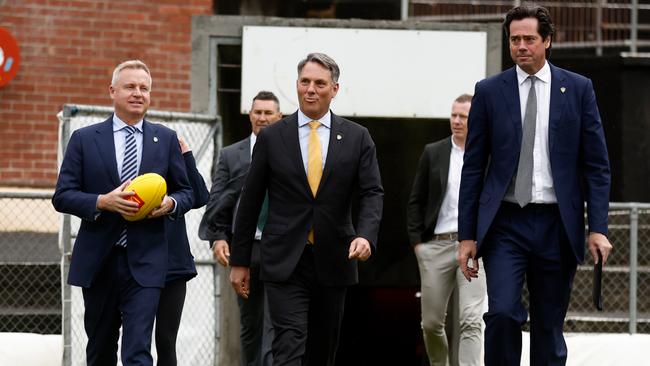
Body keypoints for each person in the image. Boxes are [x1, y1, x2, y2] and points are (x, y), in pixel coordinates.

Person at [457, 5, 612, 366]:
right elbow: (473, 167)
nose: (521, 46)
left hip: (557, 225)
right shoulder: (489, 91)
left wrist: (598, 228)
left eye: (529, 39)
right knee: (503, 314)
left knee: (548, 325)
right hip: (505, 224)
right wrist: (467, 235)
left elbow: (597, 166)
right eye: (515, 39)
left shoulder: (578, 89)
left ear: (547, 41)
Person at [229, 53, 384, 366]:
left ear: (335, 89)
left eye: (320, 83)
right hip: (284, 259)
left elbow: (372, 192)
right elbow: (251, 200)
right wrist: (240, 261)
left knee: (322, 351)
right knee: (288, 345)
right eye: (305, 82)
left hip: (334, 258)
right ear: (297, 85)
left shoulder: (357, 137)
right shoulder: (273, 136)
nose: (311, 89)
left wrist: (366, 236)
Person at [52, 60, 194, 366]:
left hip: (147, 262)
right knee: (100, 350)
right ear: (112, 91)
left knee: (137, 352)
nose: (138, 93)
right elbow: (63, 196)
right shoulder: (84, 139)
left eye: (144, 88)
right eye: (130, 86)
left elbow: (187, 192)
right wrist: (103, 201)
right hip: (99, 260)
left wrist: (170, 204)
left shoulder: (166, 138)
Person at [198, 91, 283, 366]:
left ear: (279, 117)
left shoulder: (292, 153)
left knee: (277, 322)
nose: (263, 118)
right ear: (250, 115)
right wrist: (219, 238)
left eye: (268, 113)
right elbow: (218, 200)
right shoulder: (231, 155)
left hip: (281, 249)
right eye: (258, 112)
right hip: (245, 250)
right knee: (250, 323)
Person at [407, 94, 486, 366]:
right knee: (430, 323)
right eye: (453, 115)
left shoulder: (489, 154)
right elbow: (416, 200)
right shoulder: (434, 152)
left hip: (475, 246)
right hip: (436, 246)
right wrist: (419, 245)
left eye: (463, 116)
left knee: (471, 321)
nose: (456, 121)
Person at [155, 137, 209, 366]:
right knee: (135, 338)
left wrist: (186, 154)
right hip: (134, 262)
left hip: (173, 265)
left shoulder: (173, 163)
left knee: (166, 341)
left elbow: (200, 196)